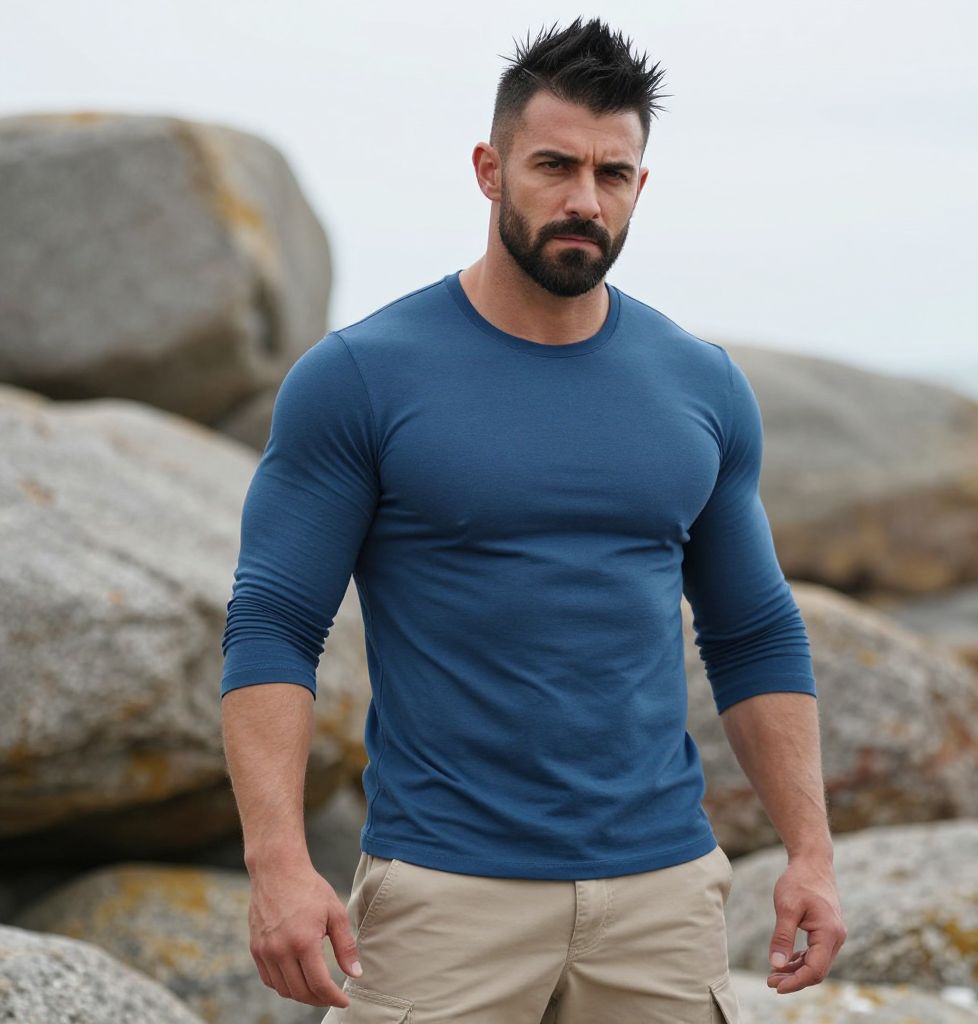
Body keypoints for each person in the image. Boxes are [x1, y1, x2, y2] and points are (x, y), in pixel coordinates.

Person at [219, 16, 846, 1024]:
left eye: (611, 173)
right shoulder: (360, 378)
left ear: (639, 185)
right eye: (554, 165)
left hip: (660, 897)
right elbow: (274, 623)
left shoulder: (700, 386)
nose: (583, 199)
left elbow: (754, 633)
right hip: (444, 894)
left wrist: (810, 852)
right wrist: (278, 862)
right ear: (490, 169)